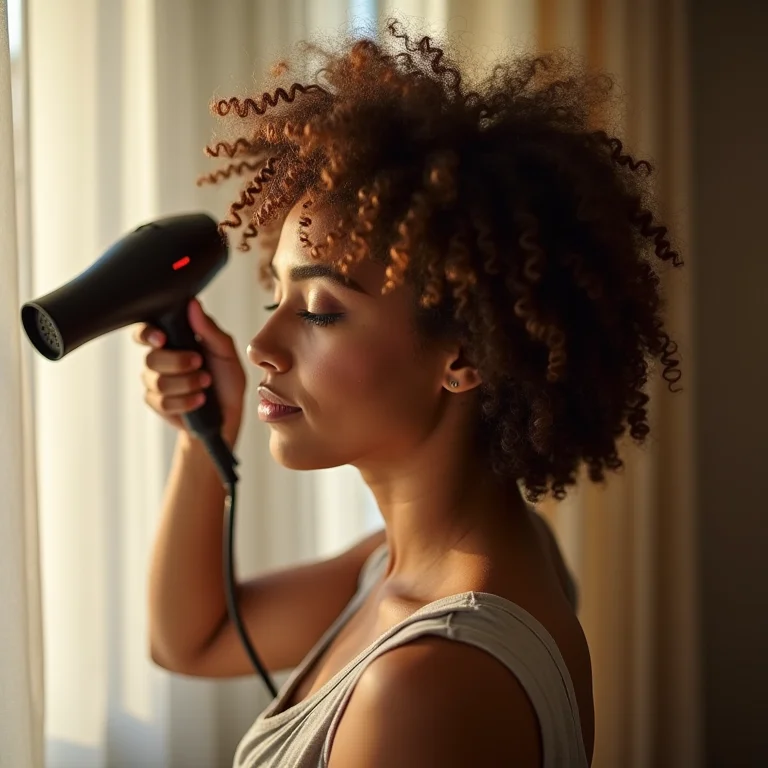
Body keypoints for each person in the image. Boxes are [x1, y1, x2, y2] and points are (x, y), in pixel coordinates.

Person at [135, 17, 683, 768]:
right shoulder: (414, 568)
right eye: (278, 303)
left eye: (322, 311)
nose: (262, 347)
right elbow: (189, 640)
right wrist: (207, 437)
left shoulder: (428, 684)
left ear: (464, 358)